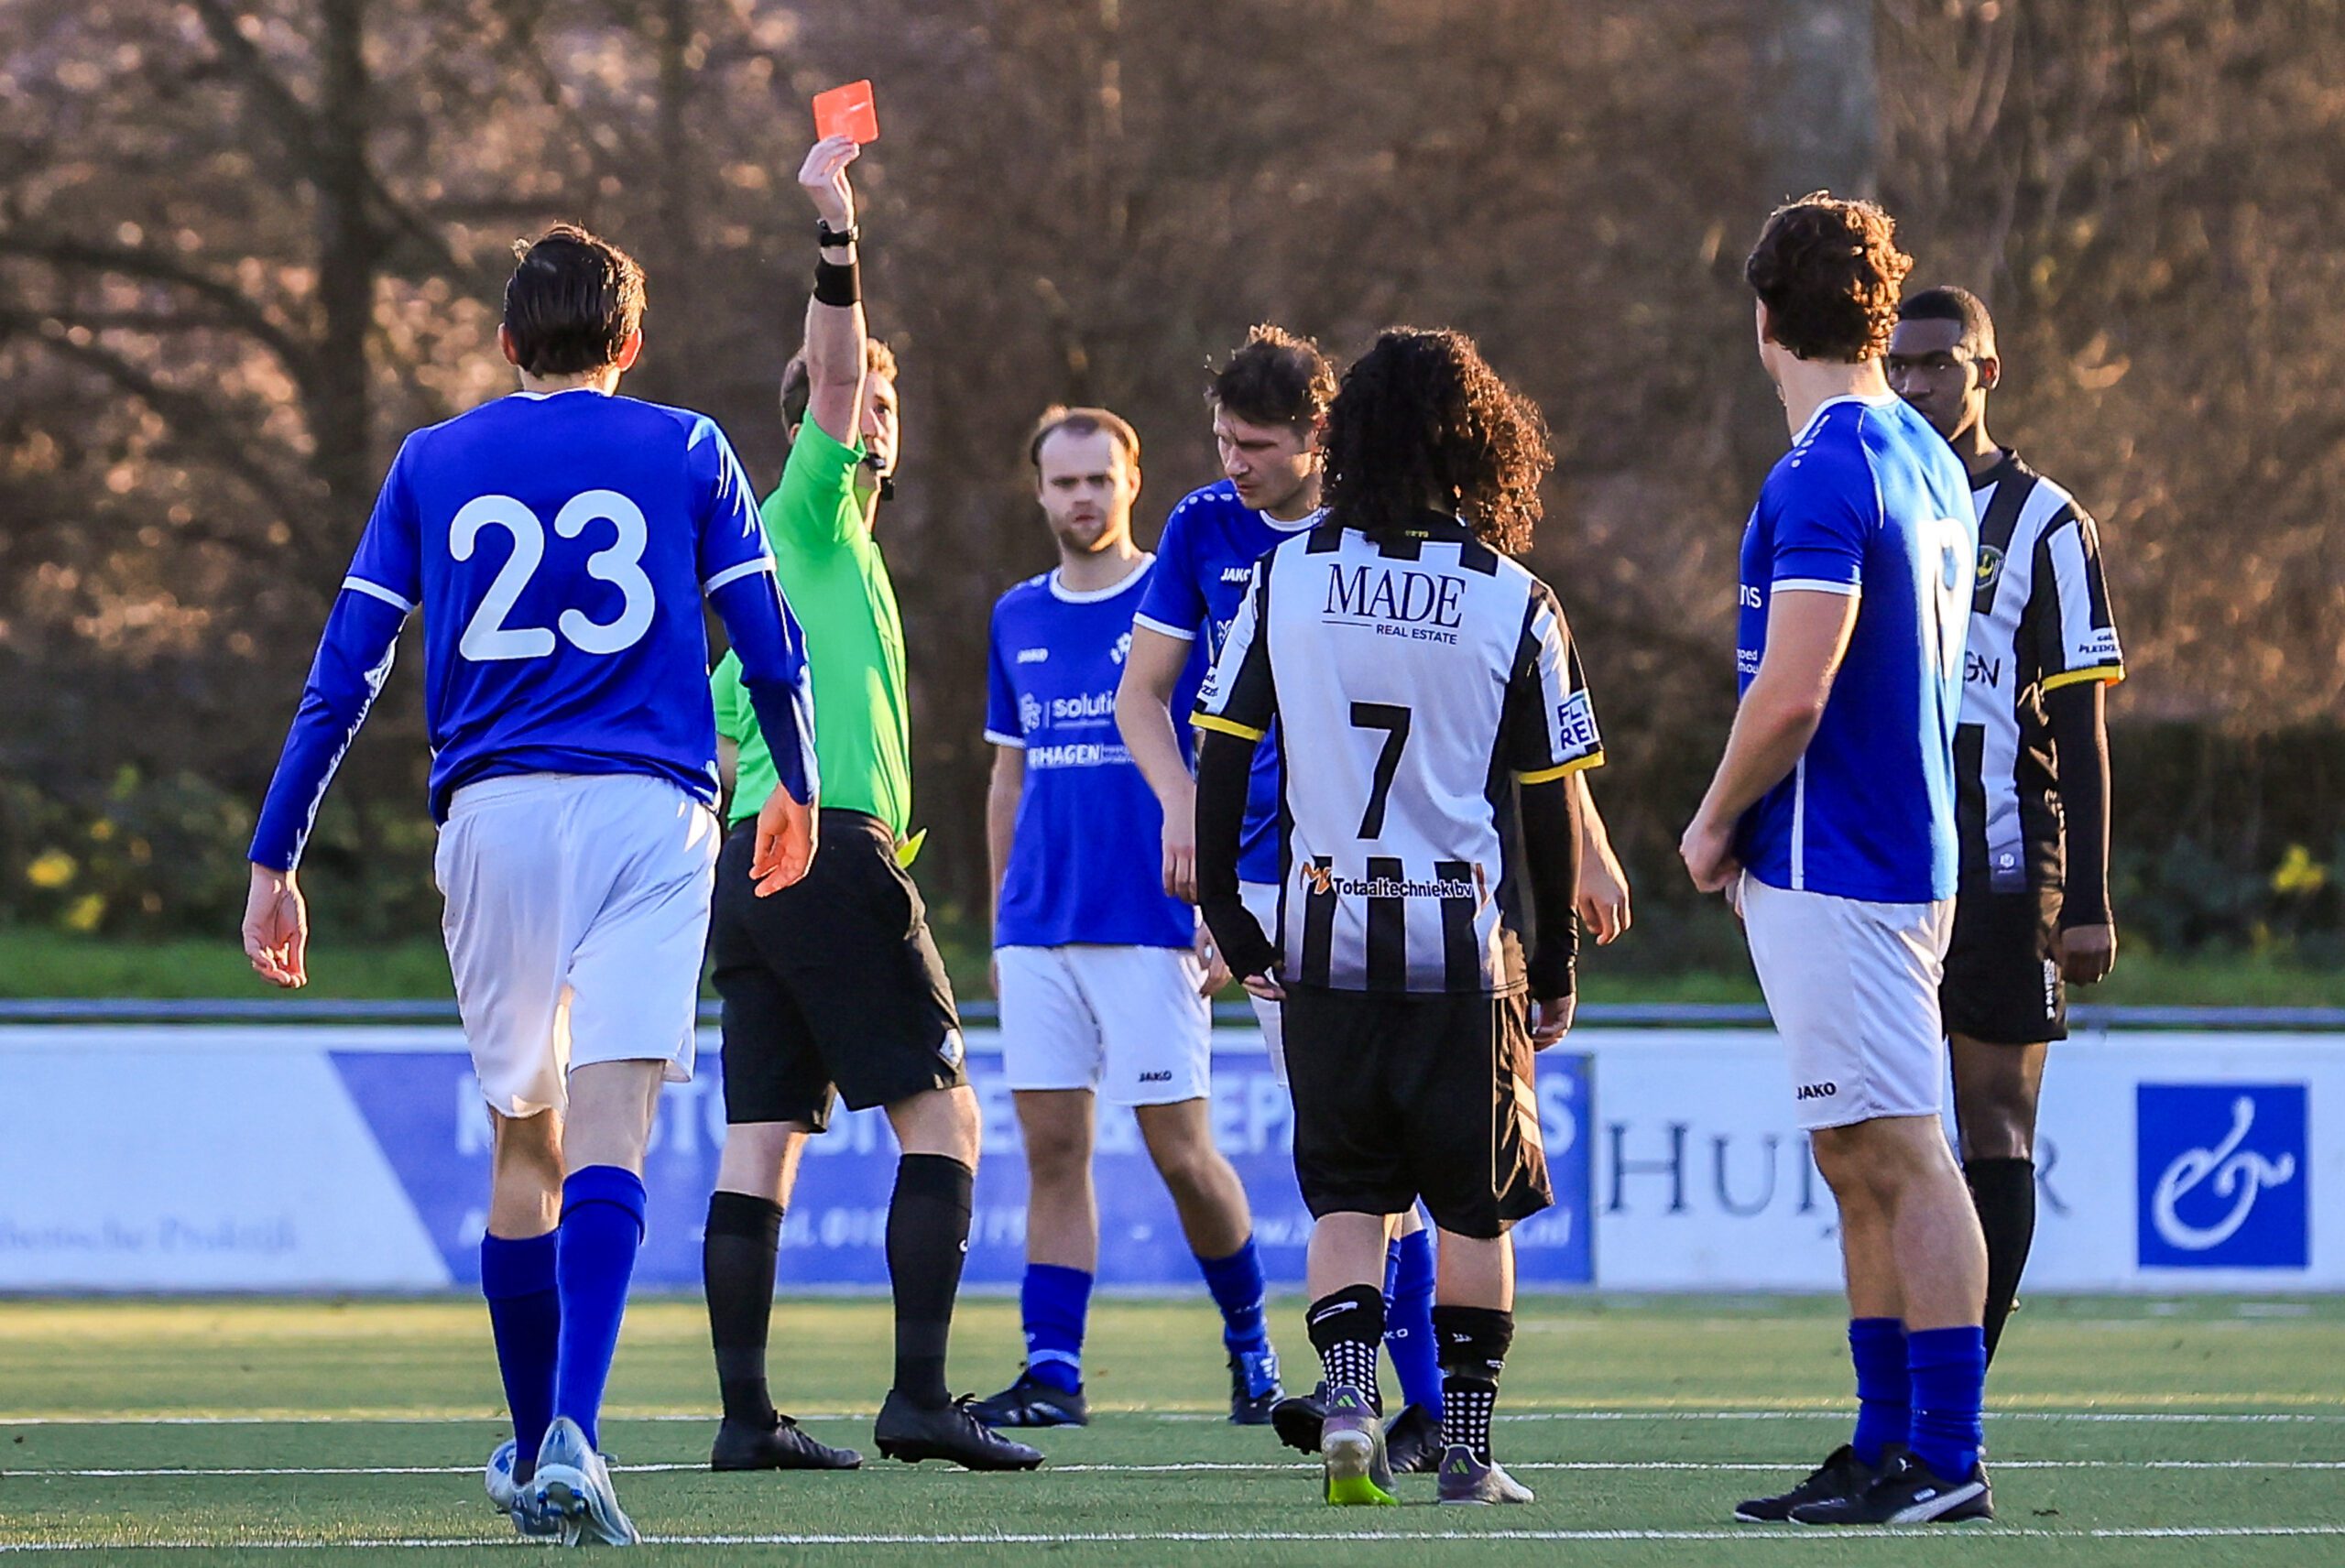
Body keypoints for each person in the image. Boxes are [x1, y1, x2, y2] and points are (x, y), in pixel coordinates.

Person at [241, 223, 819, 1546]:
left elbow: (344, 674)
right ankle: (576, 1434)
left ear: (507, 342)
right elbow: (768, 643)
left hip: (493, 815)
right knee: (614, 1128)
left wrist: (277, 852)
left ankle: (530, 1443)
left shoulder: (431, 460)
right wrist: (798, 779)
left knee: (525, 1136)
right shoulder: (688, 446)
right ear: (632, 343)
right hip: (647, 812)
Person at [1115, 326, 1631, 1473]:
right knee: (1474, 1207)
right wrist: (1553, 964)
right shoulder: (1516, 598)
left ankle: (1348, 1397)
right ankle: (1466, 1450)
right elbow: (1548, 805)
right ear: (1476, 443)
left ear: (1342, 436)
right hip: (1458, 939)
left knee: (1347, 1196)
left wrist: (1237, 919)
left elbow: (1223, 747)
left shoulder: (1285, 575)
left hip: (1321, 926)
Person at [697, 136, 1041, 1475]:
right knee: (945, 1120)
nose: (871, 420)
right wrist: (837, 238)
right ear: (808, 431)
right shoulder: (807, 511)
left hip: (754, 865)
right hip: (832, 852)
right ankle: (919, 1398)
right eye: (857, 408)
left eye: (888, 407)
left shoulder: (791, 566)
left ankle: (746, 1419)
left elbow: (716, 740)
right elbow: (835, 375)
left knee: (760, 1143)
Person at [1679, 194, 1992, 1526]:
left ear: (1764, 320)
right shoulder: (1925, 450)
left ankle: (1945, 1455)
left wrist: (1711, 818)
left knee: (1906, 1153)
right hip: (1893, 842)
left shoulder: (1826, 466)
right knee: (1856, 1153)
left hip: (1840, 854)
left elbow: (1797, 685)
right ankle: (1882, 1443)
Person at [971, 406, 1283, 1430]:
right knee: (1052, 1151)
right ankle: (1053, 1372)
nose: (1083, 497)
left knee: (1181, 1152)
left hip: (1154, 921)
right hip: (1038, 927)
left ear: (1132, 481)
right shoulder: (1015, 614)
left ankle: (1253, 1349)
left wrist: (1224, 898)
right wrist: (1001, 913)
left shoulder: (1174, 600)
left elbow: (1229, 758)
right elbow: (1007, 778)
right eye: (1064, 481)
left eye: (1099, 478)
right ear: (1038, 492)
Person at [1888, 286, 2125, 1364]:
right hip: (1885, 865)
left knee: (1993, 1123)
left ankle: (1956, 1386)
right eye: (1899, 365)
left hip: (2000, 865)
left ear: (1986, 370)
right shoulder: (1872, 501)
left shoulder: (2047, 521)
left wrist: (2087, 900)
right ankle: (1906, 1378)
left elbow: (2081, 729)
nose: (1914, 384)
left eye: (1937, 363)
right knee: (1891, 1131)